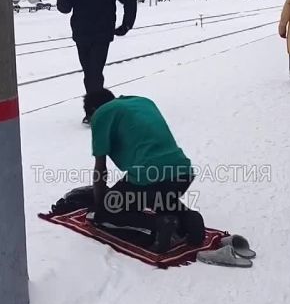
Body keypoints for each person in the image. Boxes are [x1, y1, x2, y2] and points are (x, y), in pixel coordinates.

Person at [84, 89, 206, 253]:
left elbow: (101, 168)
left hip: (149, 177)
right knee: (154, 198)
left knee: (108, 211)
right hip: (183, 173)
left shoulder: (101, 114)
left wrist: (101, 204)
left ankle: (158, 224)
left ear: (92, 110)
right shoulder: (142, 101)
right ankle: (189, 218)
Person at [57, 0, 137, 122]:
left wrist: (127, 24)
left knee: (94, 72)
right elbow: (64, 8)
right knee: (89, 74)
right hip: (81, 33)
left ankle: (95, 111)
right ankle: (98, 109)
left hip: (102, 32)